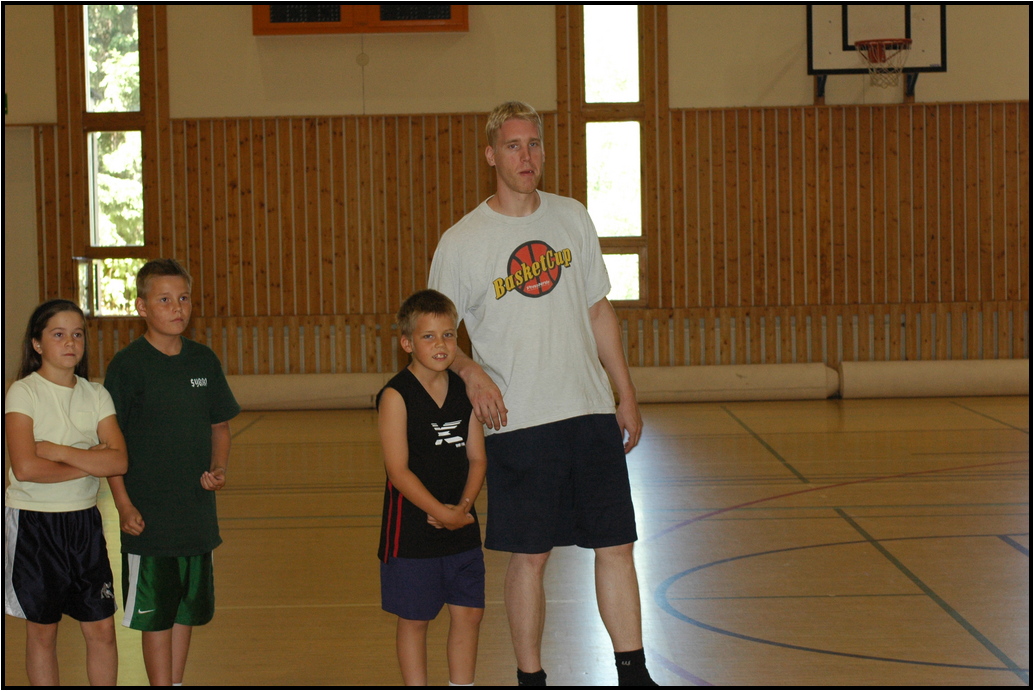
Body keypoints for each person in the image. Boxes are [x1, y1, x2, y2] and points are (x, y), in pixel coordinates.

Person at [428, 101, 657, 687]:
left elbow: (598, 310)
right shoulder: (462, 241)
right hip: (519, 423)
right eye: (513, 146)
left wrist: (624, 392)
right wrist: (470, 372)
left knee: (617, 546)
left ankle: (633, 674)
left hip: (588, 411)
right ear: (491, 155)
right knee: (529, 557)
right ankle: (531, 679)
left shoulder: (572, 217)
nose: (526, 156)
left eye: (533, 144)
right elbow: (436, 337)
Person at [104, 258, 240, 687]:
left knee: (186, 611)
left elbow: (220, 426)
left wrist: (218, 468)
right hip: (149, 520)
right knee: (156, 616)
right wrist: (123, 504)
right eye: (164, 300)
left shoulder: (203, 361)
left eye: (183, 298)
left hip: (195, 516)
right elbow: (110, 445)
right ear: (142, 307)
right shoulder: (128, 366)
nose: (177, 307)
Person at [4, 299, 128, 686]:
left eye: (77, 334)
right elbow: (26, 468)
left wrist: (58, 452)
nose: (70, 342)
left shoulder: (97, 394)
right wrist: (90, 461)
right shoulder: (23, 393)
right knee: (43, 633)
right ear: (37, 343)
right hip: (34, 525)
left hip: (84, 523)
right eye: (58, 334)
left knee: (102, 630)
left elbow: (119, 460)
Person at [377, 289, 488, 687]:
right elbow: (398, 471)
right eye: (429, 336)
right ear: (407, 343)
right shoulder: (396, 395)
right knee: (415, 619)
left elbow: (477, 458)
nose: (441, 344)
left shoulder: (463, 391)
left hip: (462, 524)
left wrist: (462, 509)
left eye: (448, 335)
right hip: (412, 533)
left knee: (469, 613)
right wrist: (441, 513)